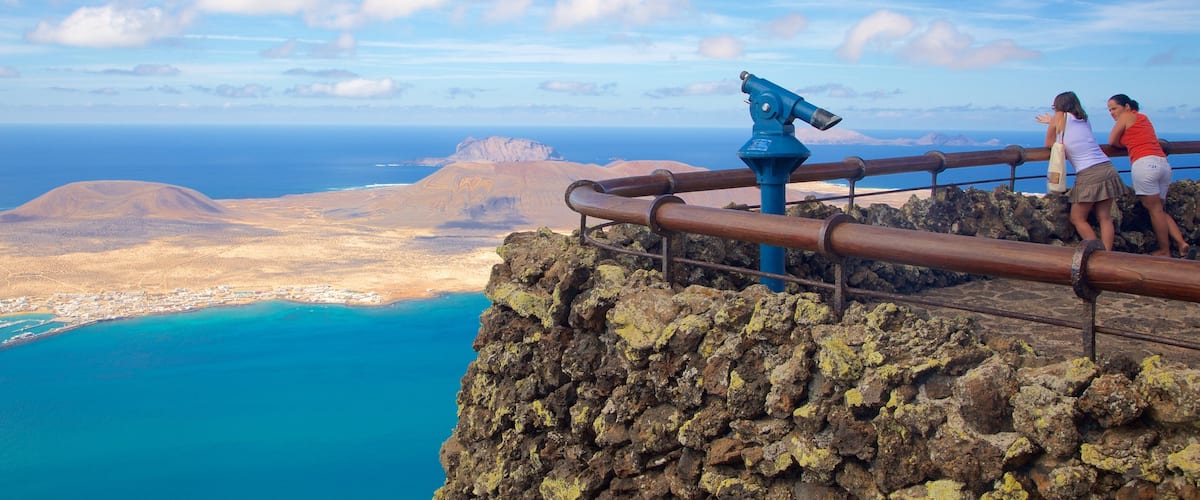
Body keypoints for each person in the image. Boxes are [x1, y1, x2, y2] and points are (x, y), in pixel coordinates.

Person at [1036, 91, 1127, 251]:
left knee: (1077, 218)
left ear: (1059, 106)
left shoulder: (1059, 116)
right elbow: (1071, 130)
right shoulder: (1084, 119)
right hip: (1106, 167)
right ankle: (1108, 254)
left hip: (1088, 172)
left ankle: (1097, 253)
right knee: (1105, 217)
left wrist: (1051, 123)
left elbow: (1049, 143)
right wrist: (1051, 122)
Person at [1107, 93, 1192, 259]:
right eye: (1109, 110)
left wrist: (1122, 142)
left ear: (1126, 106)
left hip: (1145, 164)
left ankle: (1164, 250)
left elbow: (1112, 141)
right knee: (1159, 209)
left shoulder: (1125, 116)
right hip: (1162, 163)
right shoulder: (1143, 118)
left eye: (1114, 108)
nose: (1112, 113)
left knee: (1154, 210)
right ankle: (1181, 243)